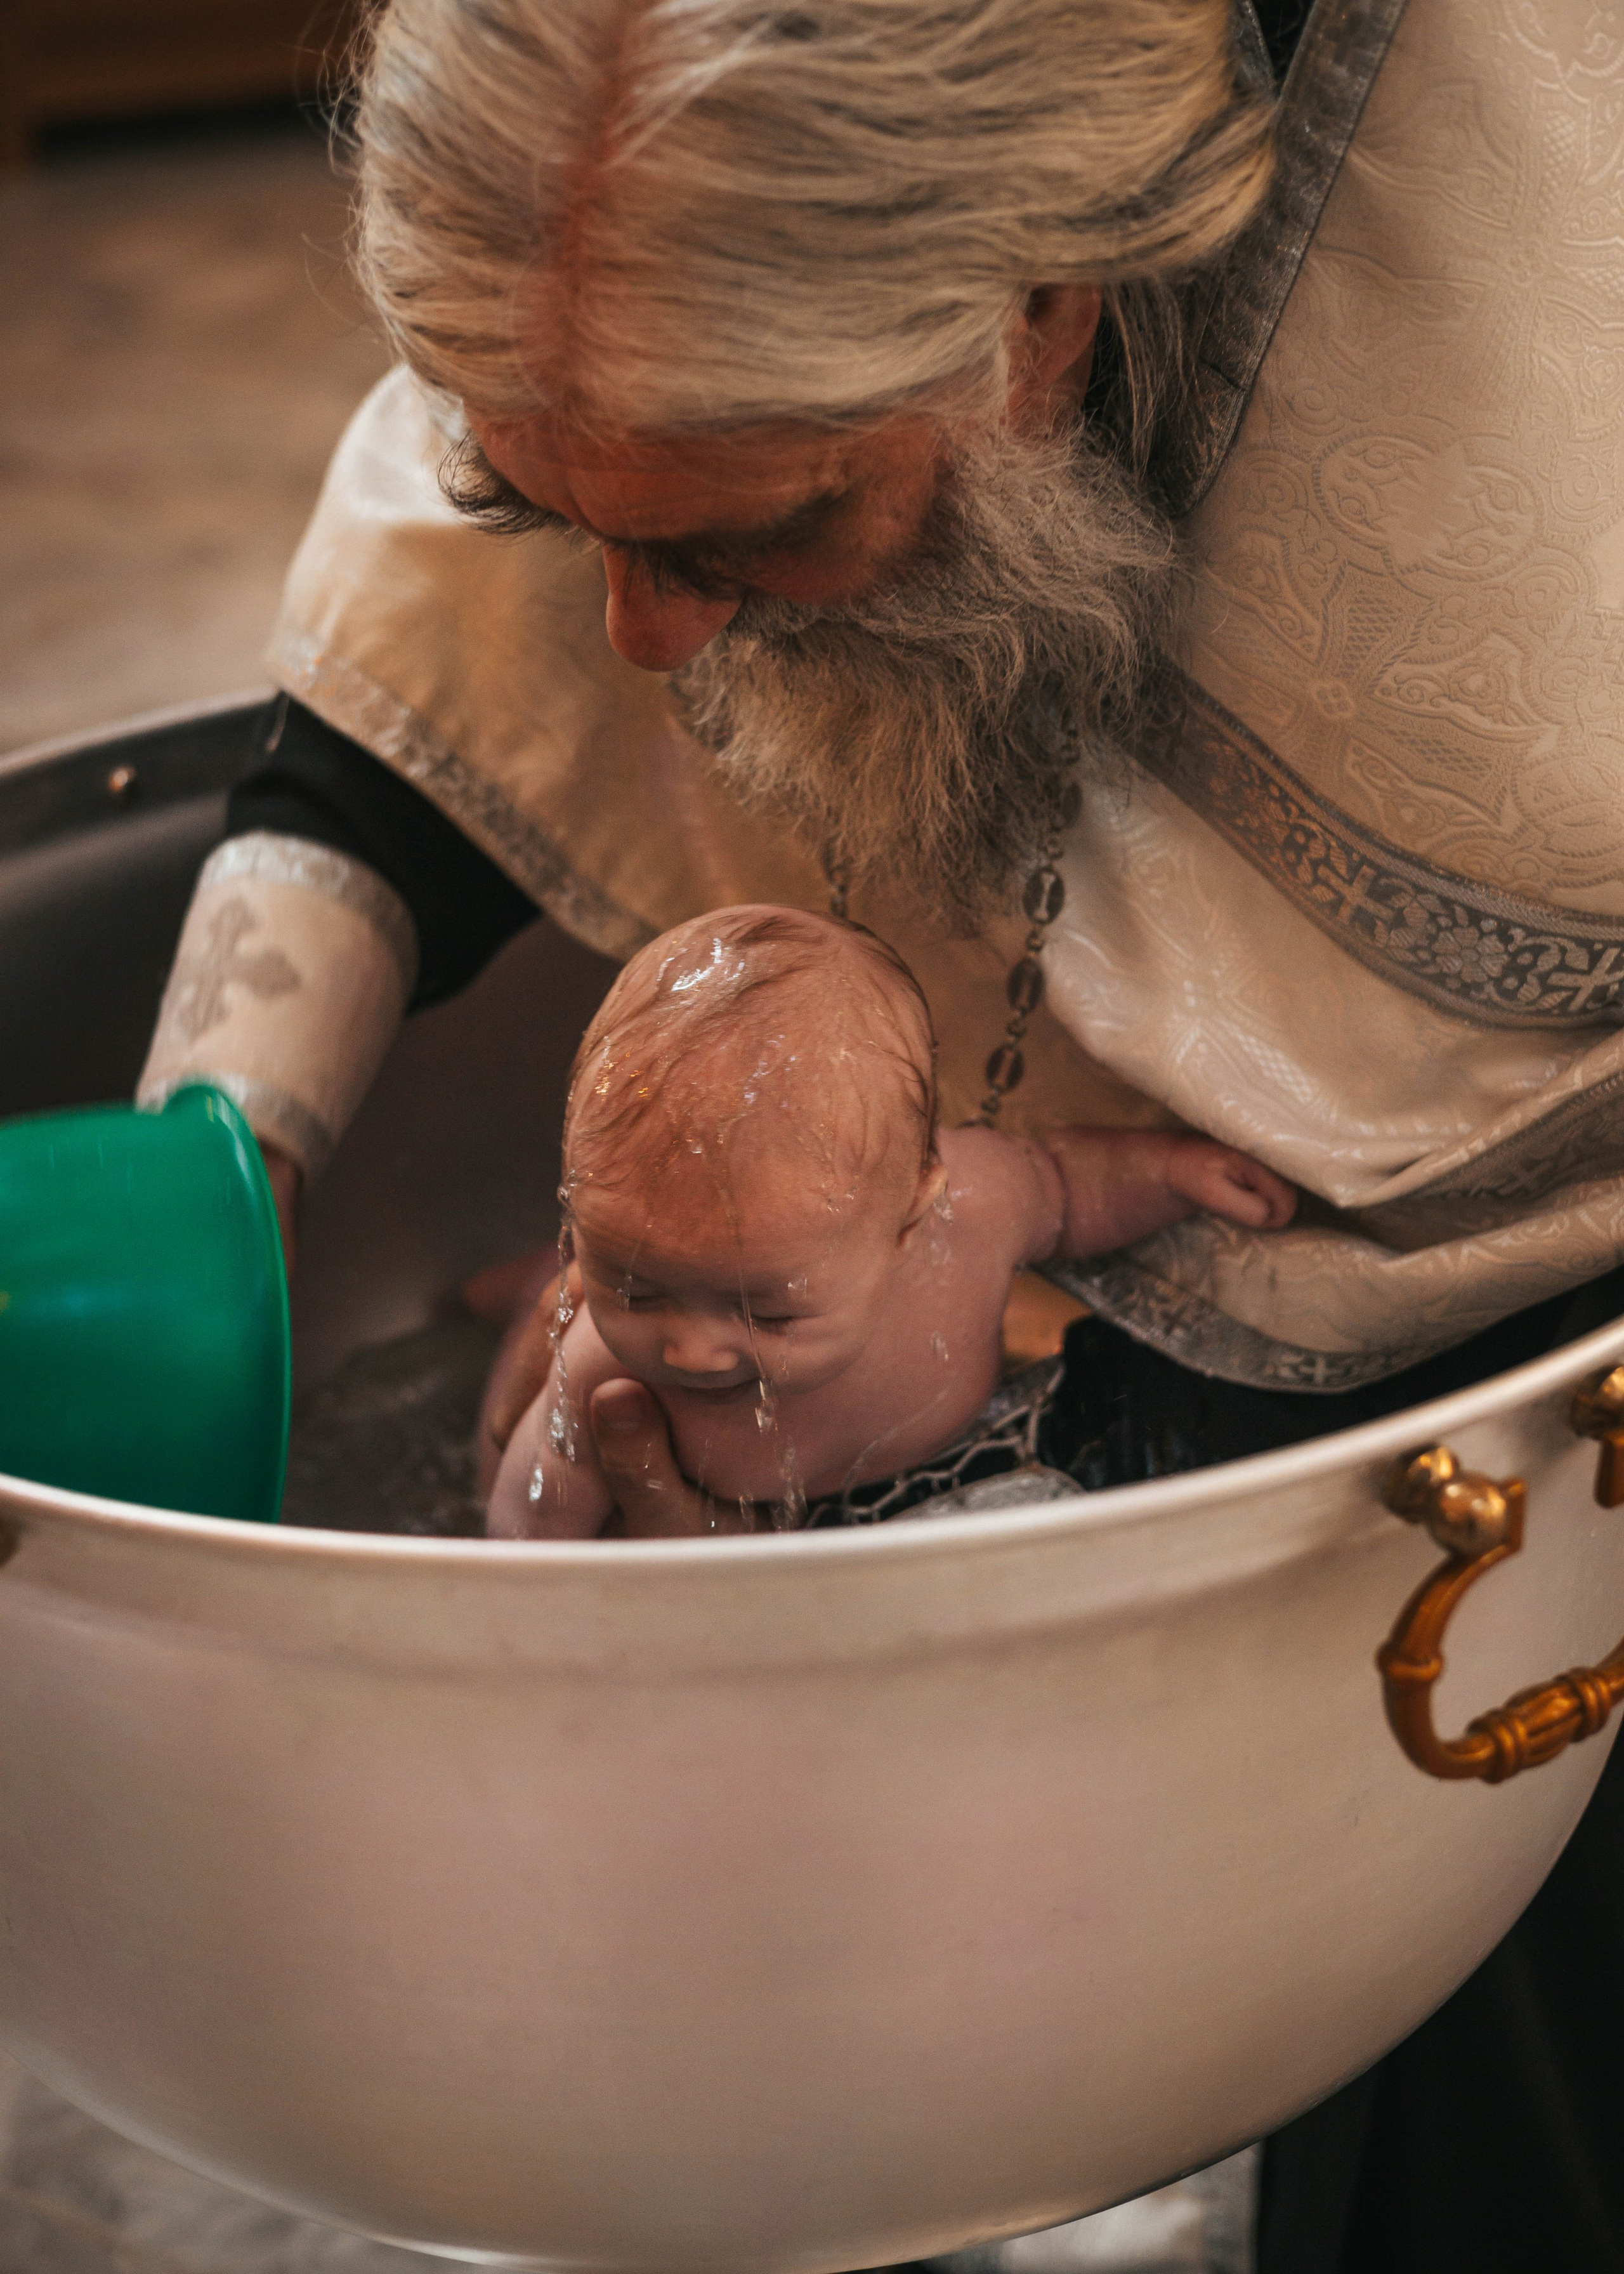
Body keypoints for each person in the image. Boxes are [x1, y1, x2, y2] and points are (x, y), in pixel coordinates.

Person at [131, 0, 1624, 2263]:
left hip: (1530, 1354)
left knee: (1498, 2074)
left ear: (1044, 306)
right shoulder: (678, 164)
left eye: (756, 524)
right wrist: (207, 1177)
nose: (632, 634)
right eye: (562, 510)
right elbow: (424, 685)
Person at [488, 905, 1294, 1537]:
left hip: (941, 1479)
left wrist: (1170, 1172)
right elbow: (528, 1529)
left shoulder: (975, 1207)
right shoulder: (602, 1373)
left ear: (913, 1217)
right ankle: (536, 1285)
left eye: (765, 1309)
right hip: (747, 1524)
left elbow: (1062, 1186)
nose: (690, 1350)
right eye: (634, 1286)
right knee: (542, 1344)